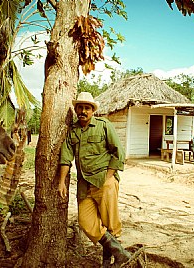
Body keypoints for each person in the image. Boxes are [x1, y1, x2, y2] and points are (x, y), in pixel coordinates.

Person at [58, 92, 131, 267]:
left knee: (110, 223)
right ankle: (121, 253)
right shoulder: (72, 131)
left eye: (87, 108)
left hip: (104, 181)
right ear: (76, 110)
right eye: (80, 107)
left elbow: (118, 153)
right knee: (85, 221)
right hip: (84, 185)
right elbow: (65, 158)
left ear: (92, 111)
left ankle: (109, 261)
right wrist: (61, 182)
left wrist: (108, 178)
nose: (83, 111)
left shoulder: (104, 125)